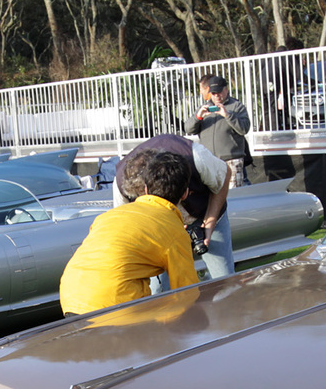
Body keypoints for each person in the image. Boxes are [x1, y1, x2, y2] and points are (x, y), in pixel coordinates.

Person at [60, 150, 199, 316]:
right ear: (185, 193)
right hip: (115, 305)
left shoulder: (110, 215)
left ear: (145, 189)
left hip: (71, 297)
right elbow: (187, 294)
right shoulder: (174, 231)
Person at [115, 132, 233, 283]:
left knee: (224, 278)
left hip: (204, 212)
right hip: (158, 227)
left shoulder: (198, 157)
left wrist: (210, 222)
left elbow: (224, 176)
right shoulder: (120, 186)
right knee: (157, 288)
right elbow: (128, 226)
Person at [186, 74, 251, 187]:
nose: (216, 96)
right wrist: (198, 117)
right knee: (210, 196)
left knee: (233, 197)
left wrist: (228, 115)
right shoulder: (204, 108)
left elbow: (244, 129)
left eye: (219, 92)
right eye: (213, 93)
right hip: (209, 161)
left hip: (231, 161)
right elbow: (188, 129)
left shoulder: (236, 106)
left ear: (226, 89)